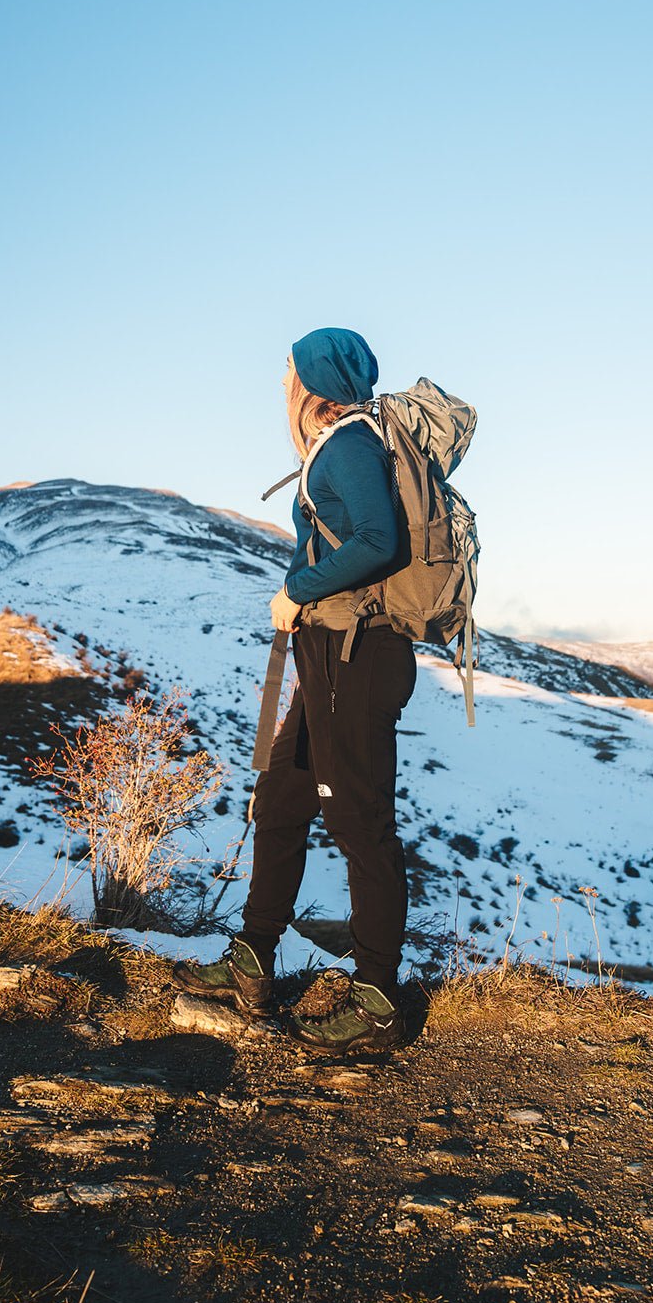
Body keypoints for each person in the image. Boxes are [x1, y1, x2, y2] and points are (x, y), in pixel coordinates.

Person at [175, 327, 417, 1051]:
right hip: (330, 654)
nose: (280, 378)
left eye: (287, 367)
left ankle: (376, 1000)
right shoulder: (339, 443)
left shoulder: (347, 443)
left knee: (360, 824)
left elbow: (380, 541)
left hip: (357, 656)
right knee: (281, 800)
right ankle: (251, 960)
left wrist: (296, 590)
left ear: (312, 377)